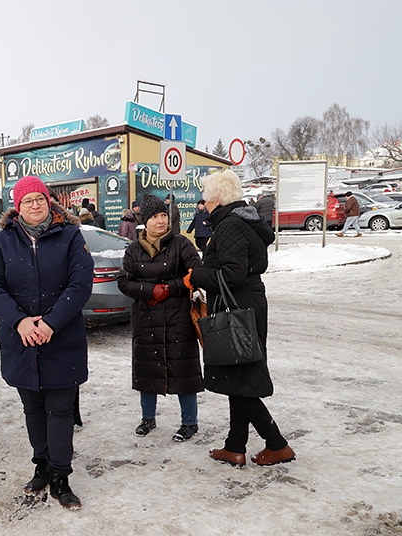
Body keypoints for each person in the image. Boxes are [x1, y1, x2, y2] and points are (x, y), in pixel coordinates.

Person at [0, 175, 93, 510]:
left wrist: (50, 323)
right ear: (17, 207)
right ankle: (41, 466)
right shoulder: (3, 241)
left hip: (62, 340)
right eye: (27, 201)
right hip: (21, 341)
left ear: (49, 201)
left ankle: (61, 477)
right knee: (33, 408)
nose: (34, 205)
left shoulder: (71, 236)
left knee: (60, 411)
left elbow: (80, 284)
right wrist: (20, 321)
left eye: (39, 199)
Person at [186, 169, 295, 467]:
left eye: (207, 200)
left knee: (241, 378)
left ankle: (277, 444)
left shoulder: (230, 225)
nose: (205, 205)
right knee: (239, 377)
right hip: (248, 302)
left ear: (218, 198)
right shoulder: (245, 221)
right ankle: (235, 446)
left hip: (239, 305)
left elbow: (232, 274)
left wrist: (197, 275)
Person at [117, 195, 204, 442]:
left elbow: (196, 272)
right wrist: (148, 291)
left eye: (164, 215)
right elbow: (123, 281)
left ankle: (190, 422)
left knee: (183, 371)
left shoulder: (181, 244)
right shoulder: (133, 249)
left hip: (178, 317)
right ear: (145, 220)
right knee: (148, 372)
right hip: (146, 319)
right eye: (155, 216)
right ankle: (148, 419)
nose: (160, 220)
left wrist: (170, 288)